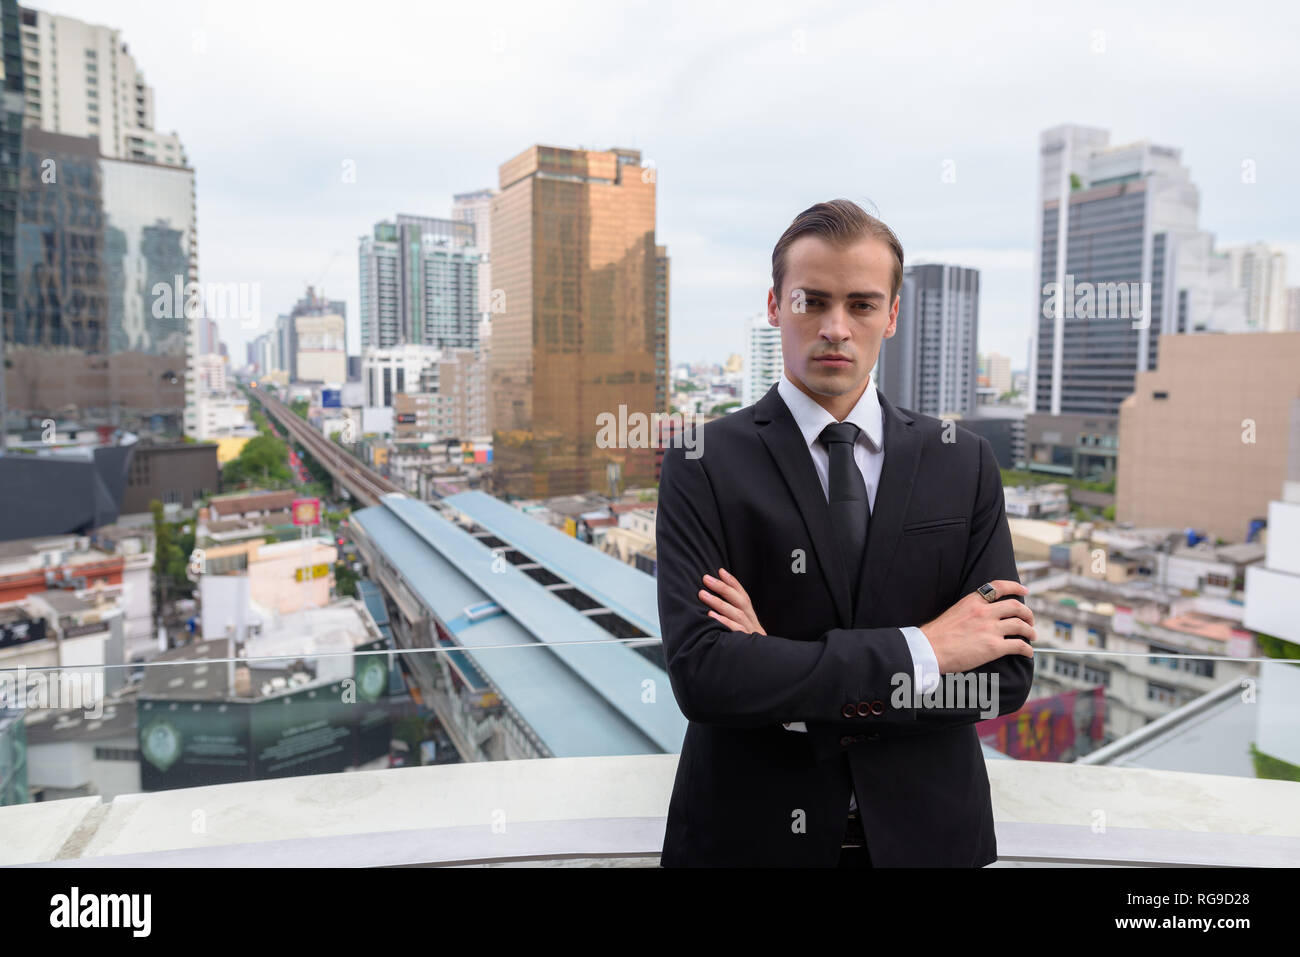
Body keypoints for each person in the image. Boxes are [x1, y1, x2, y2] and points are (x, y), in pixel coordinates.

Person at [655, 199, 1036, 867]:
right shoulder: (700, 460)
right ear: (775, 305)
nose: (835, 327)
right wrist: (927, 649)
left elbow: (1001, 676)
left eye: (861, 304)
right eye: (812, 301)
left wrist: (785, 677)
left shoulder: (964, 459)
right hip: (750, 841)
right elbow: (706, 675)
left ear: (891, 314)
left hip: (932, 842)